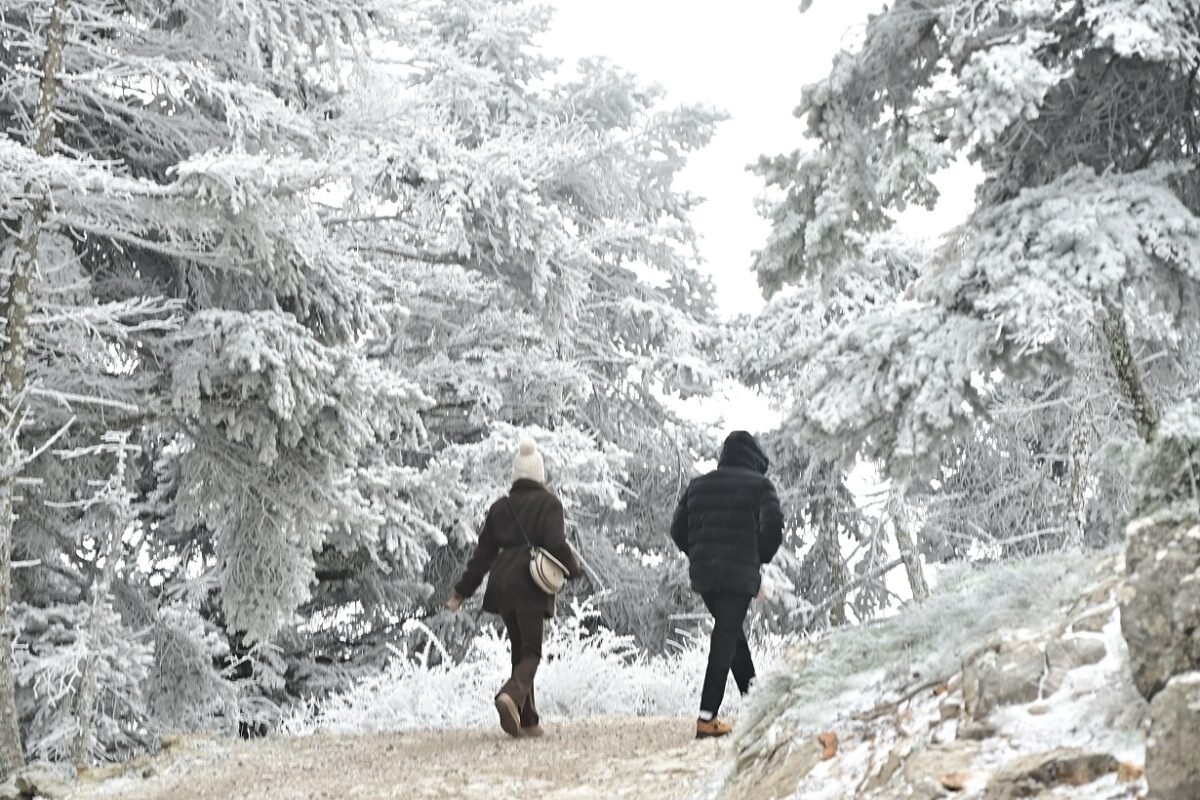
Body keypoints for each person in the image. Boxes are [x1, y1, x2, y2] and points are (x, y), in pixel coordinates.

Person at [446, 437, 580, 738]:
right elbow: (556, 544)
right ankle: (510, 695)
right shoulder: (549, 504)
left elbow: (482, 556)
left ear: (516, 475)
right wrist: (573, 570)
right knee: (532, 652)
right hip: (530, 583)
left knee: (519, 651)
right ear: (539, 474)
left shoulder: (500, 507)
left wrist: (461, 592)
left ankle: (528, 720)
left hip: (503, 583)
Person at [670, 430, 784, 739]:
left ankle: (756, 703)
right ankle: (707, 718)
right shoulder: (760, 486)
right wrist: (757, 557)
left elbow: (677, 530)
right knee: (725, 638)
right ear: (753, 456)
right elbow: (774, 527)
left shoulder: (698, 486)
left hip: (706, 574)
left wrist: (700, 553)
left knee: (731, 635)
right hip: (738, 573)